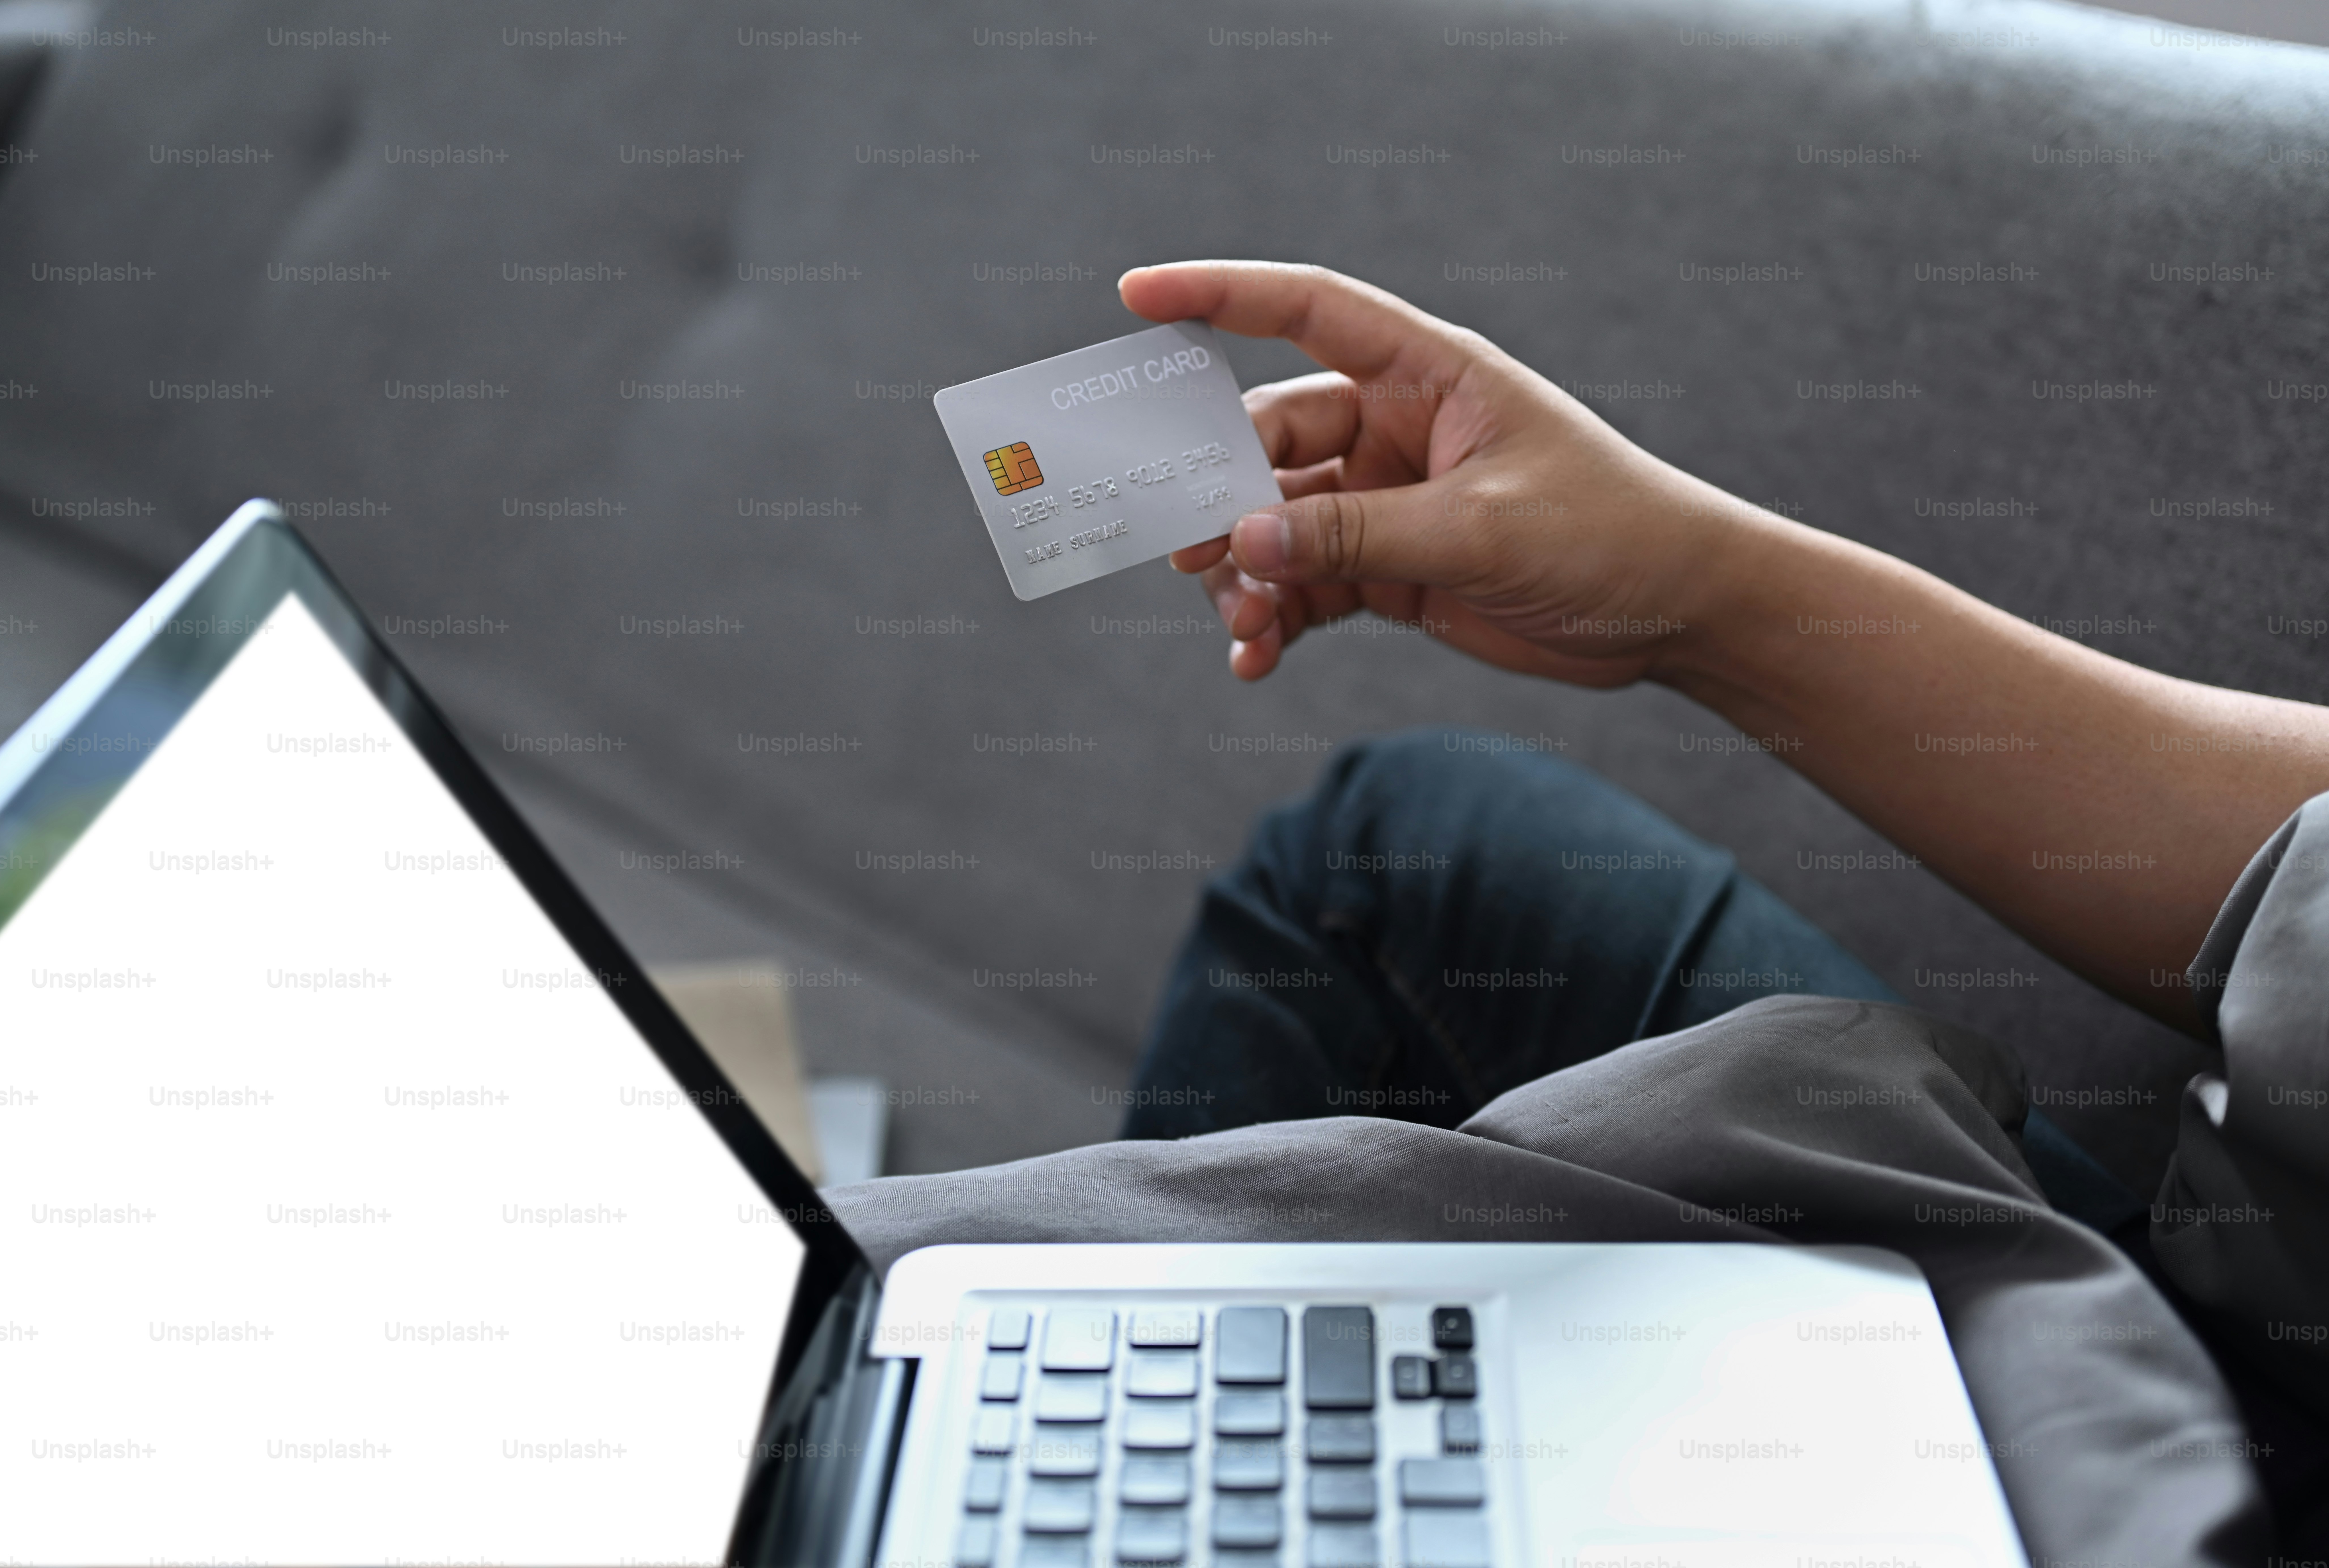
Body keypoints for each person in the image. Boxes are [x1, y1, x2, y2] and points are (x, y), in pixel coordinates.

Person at [834, 264, 2329, 1555]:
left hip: (2198, 1482)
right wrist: (1685, 589)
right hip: (2251, 1290)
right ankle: (1144, 1428)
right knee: (1395, 843)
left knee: (813, 1341)